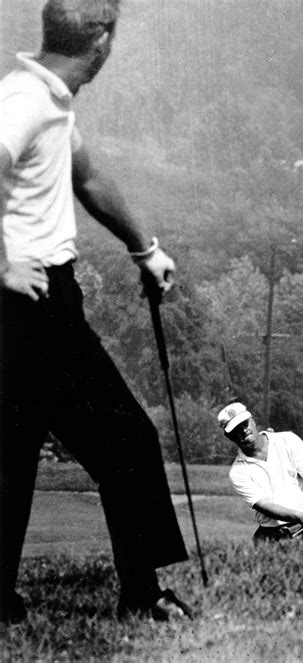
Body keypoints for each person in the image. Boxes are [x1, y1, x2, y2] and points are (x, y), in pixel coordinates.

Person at [0, 0, 191, 625]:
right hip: (20, 304)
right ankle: (142, 594)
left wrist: (146, 249)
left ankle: (140, 592)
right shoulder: (25, 100)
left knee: (104, 443)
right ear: (101, 41)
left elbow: (89, 177)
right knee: (111, 441)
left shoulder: (49, 101)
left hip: (50, 303)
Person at [217, 403, 303, 543]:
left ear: (253, 420)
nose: (244, 430)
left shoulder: (288, 440)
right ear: (229, 436)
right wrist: (299, 516)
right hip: (273, 534)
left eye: (245, 424)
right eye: (236, 429)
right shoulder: (238, 472)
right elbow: (265, 505)